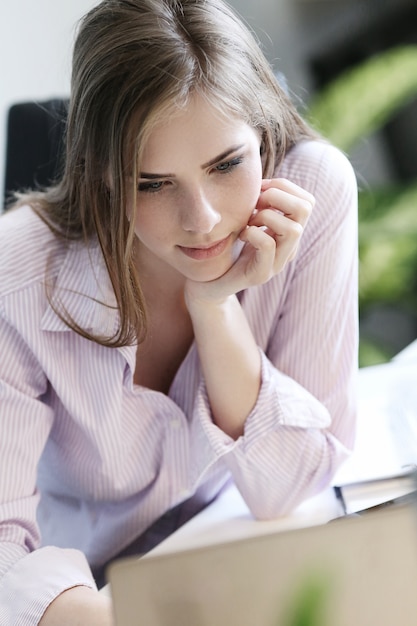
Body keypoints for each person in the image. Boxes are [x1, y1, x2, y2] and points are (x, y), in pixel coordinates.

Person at [0, 0, 358, 623]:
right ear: (103, 175)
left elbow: (287, 489)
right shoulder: (18, 277)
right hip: (99, 590)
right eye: (151, 183)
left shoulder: (313, 190)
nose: (204, 220)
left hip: (248, 543)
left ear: (264, 132)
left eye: (226, 165)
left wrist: (214, 304)